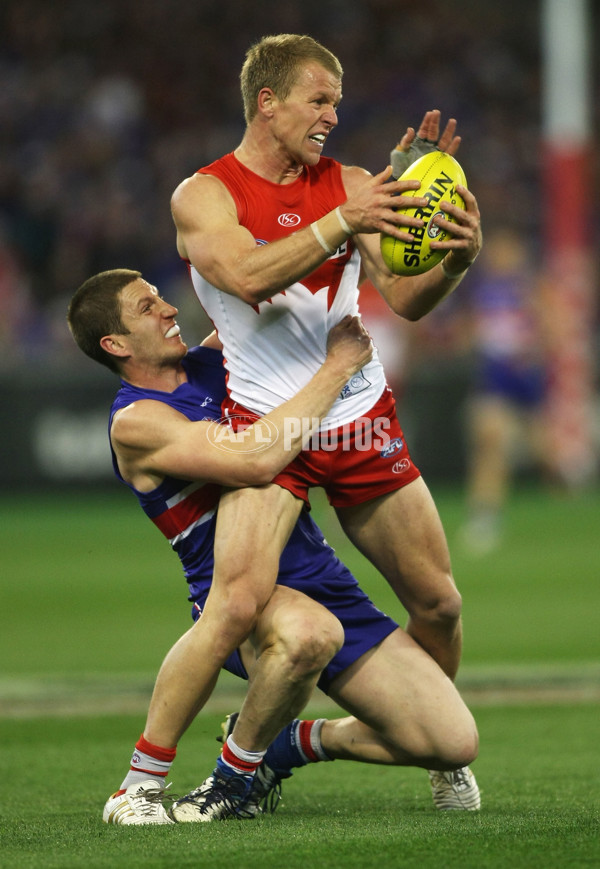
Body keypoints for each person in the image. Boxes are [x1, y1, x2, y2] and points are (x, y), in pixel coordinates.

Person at [170, 33, 483, 801]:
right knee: (236, 606)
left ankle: (432, 748)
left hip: (358, 417)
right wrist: (344, 218)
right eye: (319, 99)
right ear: (266, 102)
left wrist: (454, 261)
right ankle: (169, 774)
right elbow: (244, 275)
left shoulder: (345, 181)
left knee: (439, 602)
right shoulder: (205, 193)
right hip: (273, 434)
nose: (333, 116)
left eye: (337, 102)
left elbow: (406, 301)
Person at [67, 269, 479, 824]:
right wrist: (336, 366)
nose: (169, 310)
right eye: (147, 307)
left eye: (162, 298)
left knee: (451, 741)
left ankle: (288, 745)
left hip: (324, 579)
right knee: (310, 633)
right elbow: (253, 459)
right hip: (242, 597)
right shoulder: (137, 421)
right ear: (115, 344)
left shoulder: (219, 364)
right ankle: (151, 785)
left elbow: (277, 319)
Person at [457, 227, 551, 553]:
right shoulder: (477, 290)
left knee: (552, 459)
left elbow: (553, 329)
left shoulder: (532, 288)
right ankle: (485, 517)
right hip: (494, 381)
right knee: (490, 442)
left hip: (530, 383)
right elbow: (466, 335)